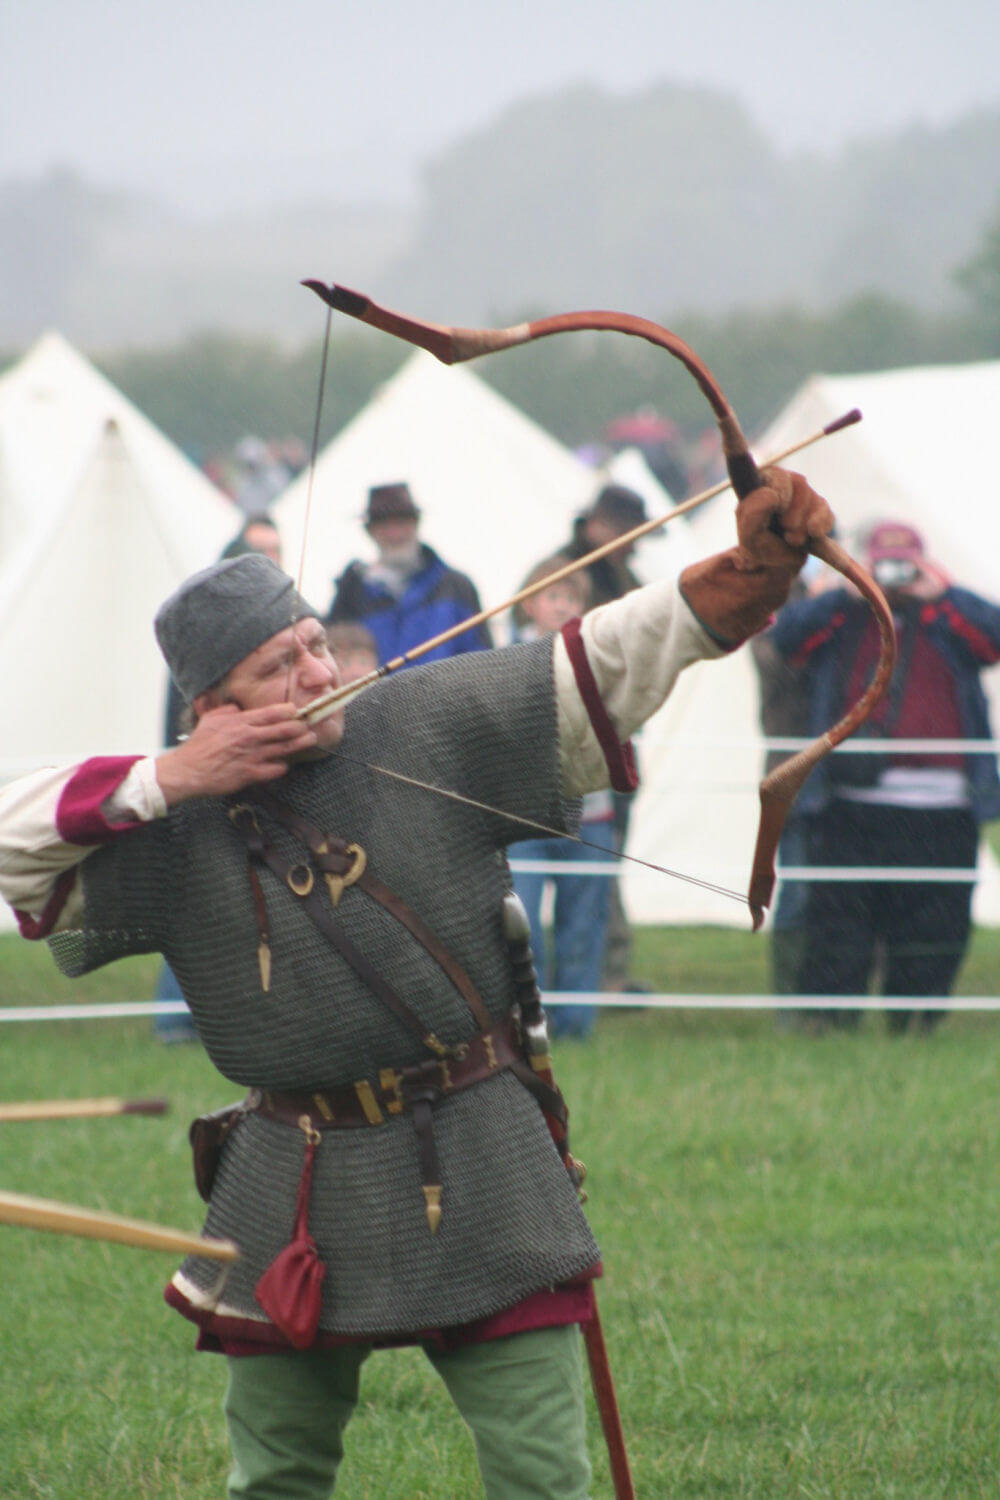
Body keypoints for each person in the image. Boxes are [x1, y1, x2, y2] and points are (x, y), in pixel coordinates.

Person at [0, 469, 832, 1499]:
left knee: (541, 1477)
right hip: (290, 1178)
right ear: (214, 707)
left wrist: (752, 571)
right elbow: (11, 848)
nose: (317, 669)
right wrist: (170, 780)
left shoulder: (425, 720)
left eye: (313, 642)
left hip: (476, 1145)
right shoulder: (170, 828)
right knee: (275, 1479)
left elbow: (602, 663)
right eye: (279, 665)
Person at [767, 521, 1000, 1033]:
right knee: (839, 919)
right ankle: (830, 1021)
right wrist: (846, 592)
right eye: (884, 564)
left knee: (934, 920)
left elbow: (994, 639)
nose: (895, 576)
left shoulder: (948, 615)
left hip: (944, 806)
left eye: (905, 564)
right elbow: (785, 640)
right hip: (850, 799)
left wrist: (945, 593)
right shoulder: (845, 615)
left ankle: (914, 1022)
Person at [155, 512, 285, 1043]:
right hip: (207, 788)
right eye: (260, 551)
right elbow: (183, 720)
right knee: (192, 902)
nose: (271, 561)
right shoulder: (206, 636)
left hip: (263, 788)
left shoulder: (282, 628)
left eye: (275, 550)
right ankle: (174, 1021)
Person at [508, 560, 616, 1039]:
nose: (563, 606)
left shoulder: (600, 658)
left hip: (590, 816)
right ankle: (528, 1022)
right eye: (553, 597)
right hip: (521, 818)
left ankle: (575, 1025)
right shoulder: (503, 662)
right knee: (521, 926)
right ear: (529, 603)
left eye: (571, 599)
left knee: (582, 927)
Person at [552, 483, 649, 993]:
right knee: (580, 867)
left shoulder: (623, 576)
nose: (634, 542)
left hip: (620, 730)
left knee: (605, 860)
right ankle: (574, 981)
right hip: (571, 744)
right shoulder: (560, 576)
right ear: (600, 527)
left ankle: (604, 974)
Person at [326, 482, 492, 665]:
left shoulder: (457, 587)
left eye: (401, 522)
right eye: (384, 525)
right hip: (379, 694)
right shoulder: (350, 595)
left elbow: (481, 659)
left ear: (416, 523)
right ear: (370, 532)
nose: (394, 534)